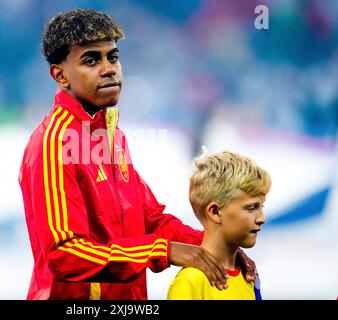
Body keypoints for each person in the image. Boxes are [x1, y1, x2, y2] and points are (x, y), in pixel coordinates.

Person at [18, 8, 257, 300]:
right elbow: (64, 254)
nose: (109, 69)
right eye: (91, 60)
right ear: (60, 74)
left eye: (113, 57)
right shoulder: (53, 144)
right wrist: (164, 251)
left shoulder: (112, 136)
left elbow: (150, 219)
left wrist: (213, 248)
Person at [167, 150, 271, 300]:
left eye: (262, 207)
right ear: (215, 212)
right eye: (251, 208)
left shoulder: (249, 276)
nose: (262, 218)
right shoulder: (191, 282)